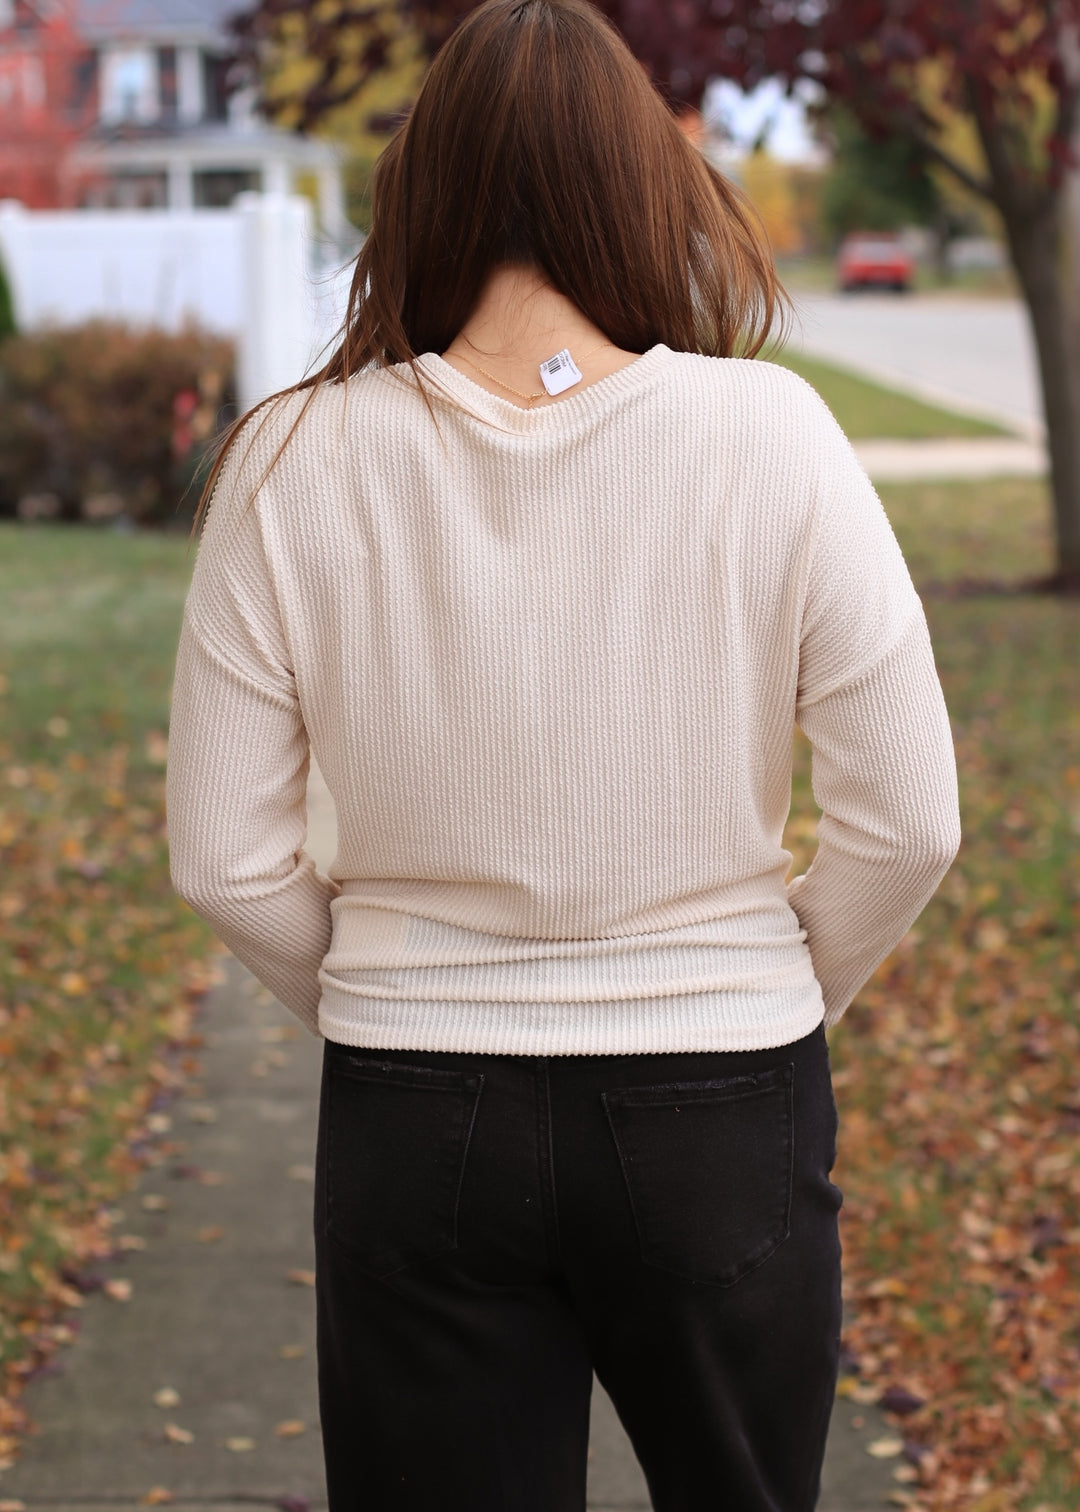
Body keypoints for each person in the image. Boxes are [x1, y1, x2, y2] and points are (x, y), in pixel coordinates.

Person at [165, 1, 962, 1507]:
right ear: (646, 189)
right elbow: (909, 821)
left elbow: (221, 857)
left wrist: (388, 979)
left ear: (420, 192)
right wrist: (767, 981)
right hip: (722, 1093)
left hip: (417, 1110)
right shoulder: (772, 434)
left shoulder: (288, 457)